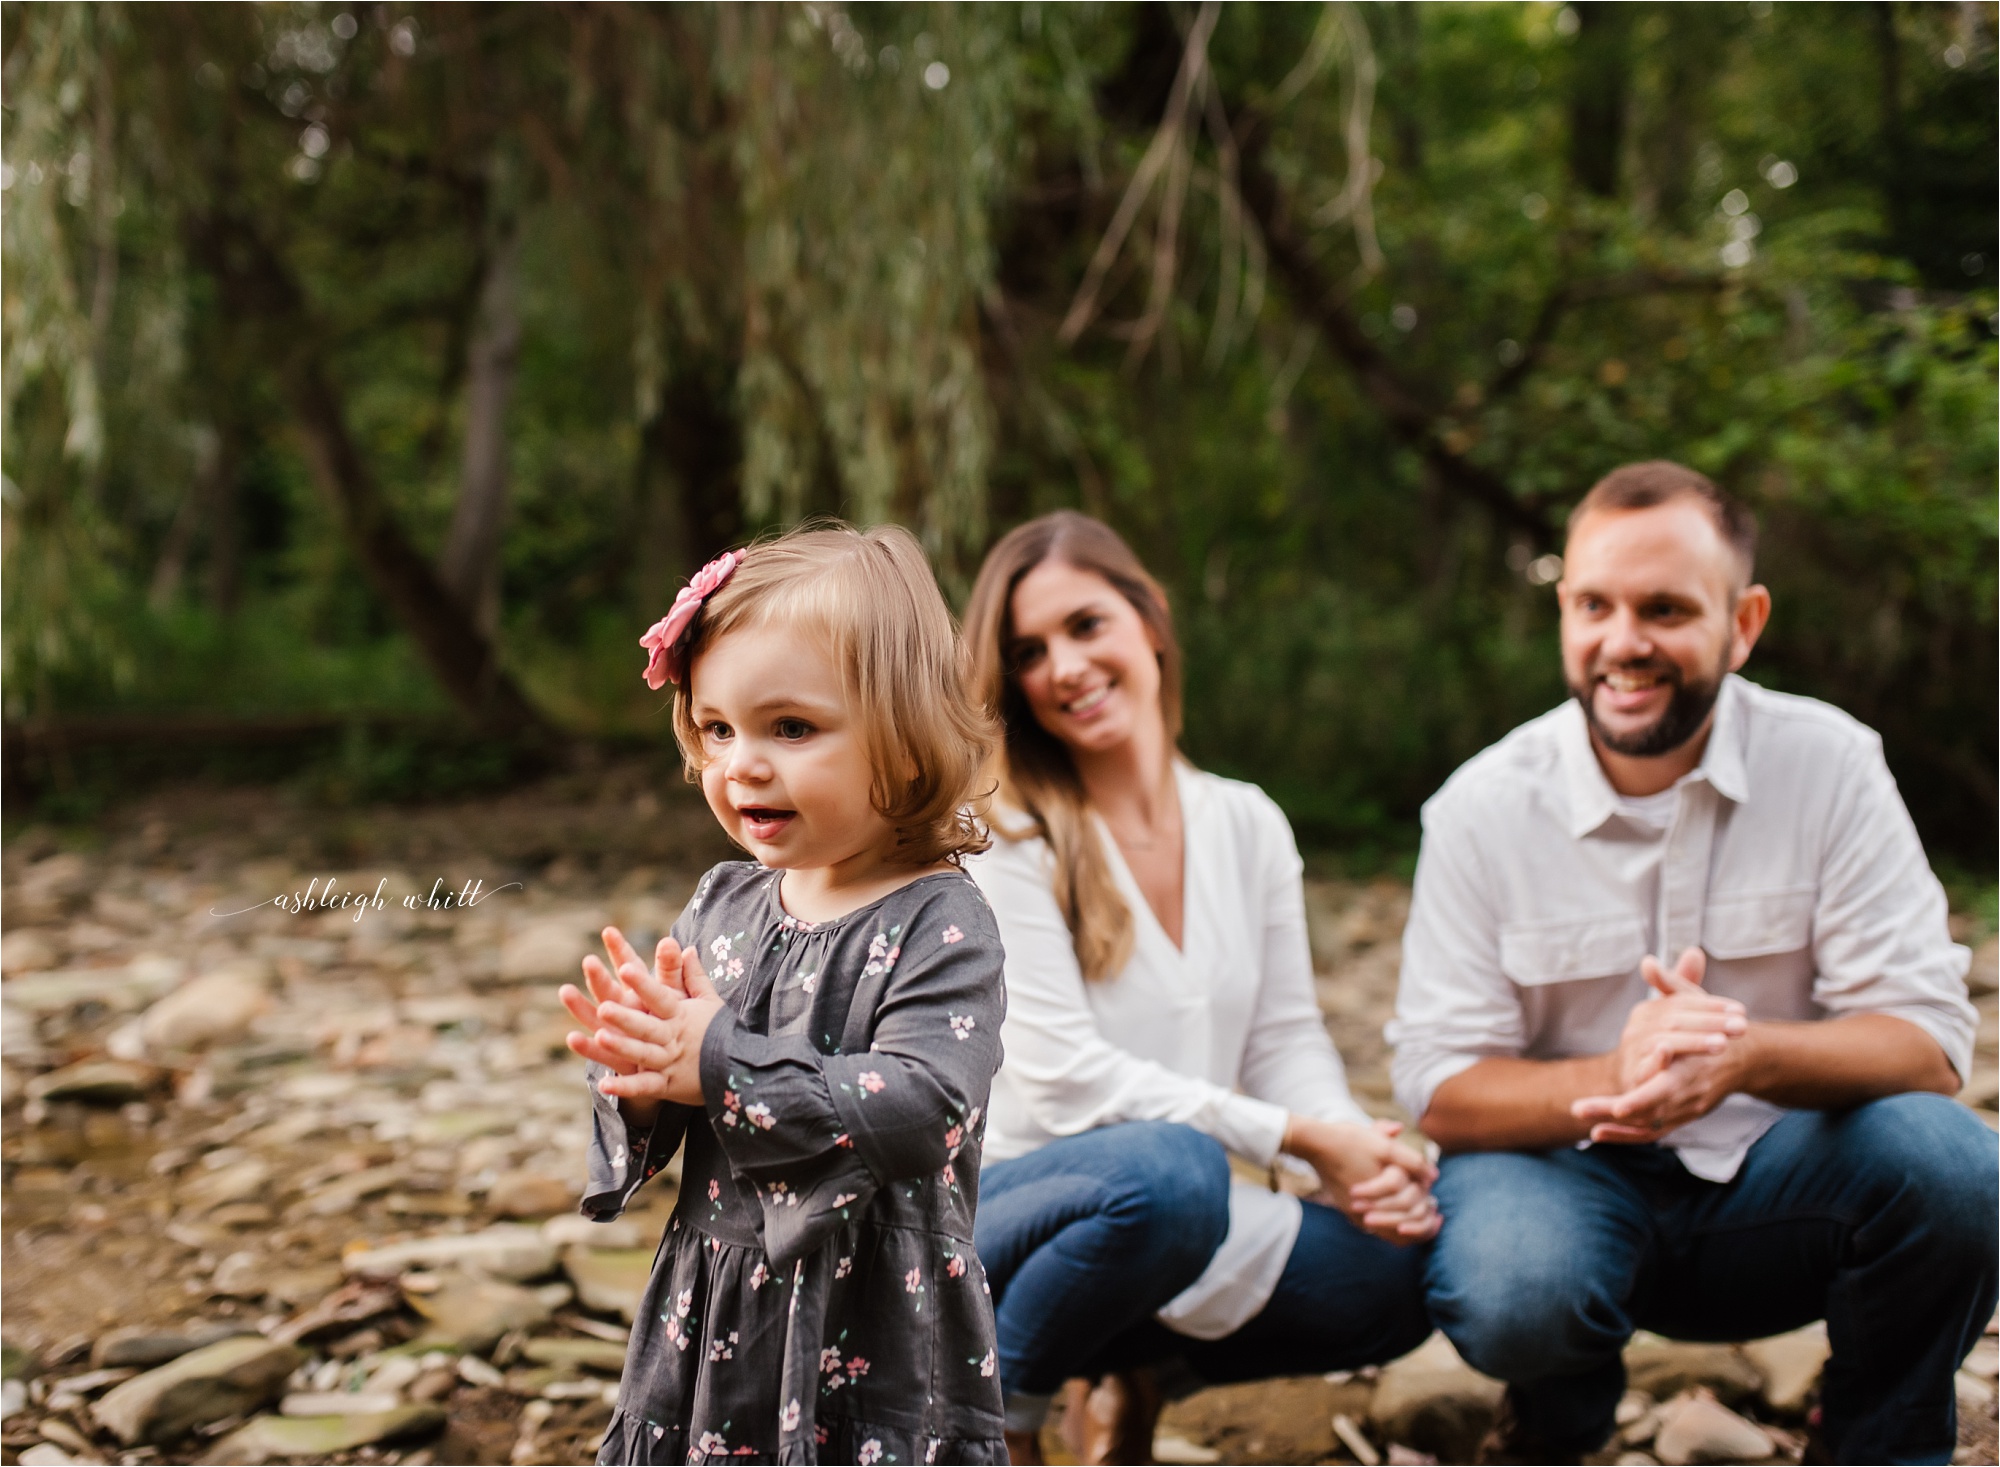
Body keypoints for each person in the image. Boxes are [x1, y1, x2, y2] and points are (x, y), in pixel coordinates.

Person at [1388, 461, 1998, 1465]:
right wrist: (1614, 1081)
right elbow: (1438, 1088)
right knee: (1512, 1287)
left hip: (1780, 1184)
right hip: (1560, 1181)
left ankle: (1875, 1440)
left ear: (1743, 621)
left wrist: (1743, 1056)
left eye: (1664, 609)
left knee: (1955, 1170)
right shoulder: (1479, 806)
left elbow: (1928, 1047)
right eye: (1592, 605)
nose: (1620, 643)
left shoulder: (1831, 764)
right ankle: (1553, 1423)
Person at [962, 511, 1439, 1465]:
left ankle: (1139, 1378)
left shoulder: (1246, 821)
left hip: (1177, 1215)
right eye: (1028, 650)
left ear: (1150, 620)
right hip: (1021, 1211)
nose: (1063, 666)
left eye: (1086, 625)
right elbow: (1064, 1081)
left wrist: (1351, 1158)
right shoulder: (1004, 835)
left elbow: (1285, 1039)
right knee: (1170, 1175)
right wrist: (1293, 1139)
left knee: (1413, 1263)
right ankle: (997, 1416)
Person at [560, 525, 1010, 1465]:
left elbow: (927, 1104)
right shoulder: (721, 903)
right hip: (716, 1298)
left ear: (904, 734)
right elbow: (680, 1102)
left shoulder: (939, 920)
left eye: (790, 728)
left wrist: (717, 1057)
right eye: (717, 727)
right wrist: (642, 1079)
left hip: (874, 1313)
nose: (742, 764)